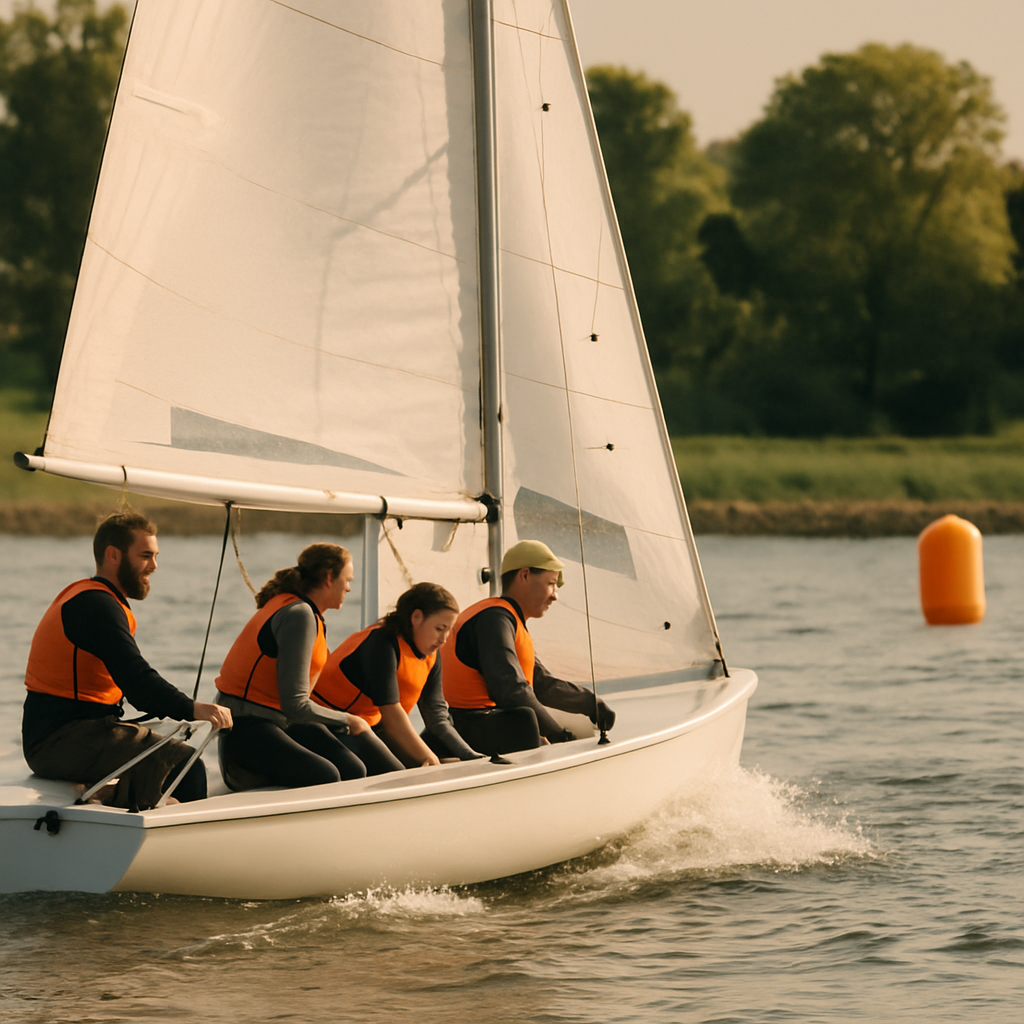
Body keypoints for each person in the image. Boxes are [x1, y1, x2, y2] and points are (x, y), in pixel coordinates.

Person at [22, 511, 232, 810]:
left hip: (71, 735)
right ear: (113, 555)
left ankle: (113, 801)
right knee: (186, 765)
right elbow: (137, 681)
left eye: (156, 556)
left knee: (162, 756)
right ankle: (181, 849)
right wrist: (195, 708)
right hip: (60, 741)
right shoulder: (95, 605)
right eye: (146, 555)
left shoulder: (95, 598)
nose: (154, 566)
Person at [215, 543, 399, 790]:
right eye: (347, 579)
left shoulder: (301, 609)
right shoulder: (298, 614)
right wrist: (349, 720)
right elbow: (295, 705)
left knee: (353, 768)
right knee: (325, 774)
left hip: (276, 722)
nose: (349, 587)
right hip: (245, 730)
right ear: (329, 577)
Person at [442, 540, 616, 756]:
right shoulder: (494, 620)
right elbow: (510, 690)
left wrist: (590, 703)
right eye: (551, 583)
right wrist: (559, 736)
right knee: (525, 719)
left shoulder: (505, 618)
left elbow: (541, 684)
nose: (555, 595)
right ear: (524, 575)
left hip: (476, 726)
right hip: (472, 728)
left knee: (530, 717)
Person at [313, 582, 483, 768]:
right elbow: (391, 712)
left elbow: (436, 716)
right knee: (401, 771)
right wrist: (427, 757)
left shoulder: (431, 654)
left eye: (448, 630)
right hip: (328, 723)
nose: (443, 639)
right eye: (439, 629)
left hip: (369, 725)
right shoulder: (382, 643)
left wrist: (469, 754)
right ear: (416, 617)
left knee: (441, 764)